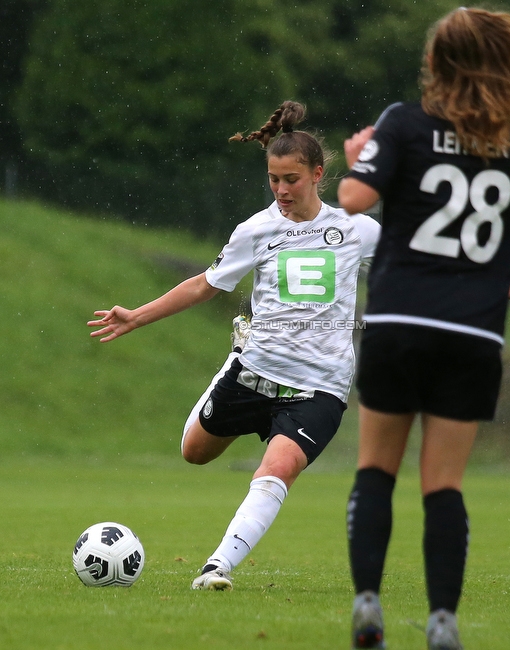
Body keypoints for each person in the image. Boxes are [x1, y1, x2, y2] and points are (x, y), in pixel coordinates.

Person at [336, 8, 510, 650]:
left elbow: (355, 200)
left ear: (436, 63)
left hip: (398, 321)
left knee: (376, 471)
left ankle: (368, 604)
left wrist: (359, 159)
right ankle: (442, 620)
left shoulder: (405, 124)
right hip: (473, 334)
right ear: (508, 64)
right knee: (443, 484)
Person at [88, 101, 382, 591]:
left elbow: (420, 269)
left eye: (291, 179)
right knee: (195, 453)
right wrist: (137, 316)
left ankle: (216, 567)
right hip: (255, 371)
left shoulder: (356, 229)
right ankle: (234, 377)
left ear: (317, 173)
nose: (282, 190)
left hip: (320, 386)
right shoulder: (257, 229)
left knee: (278, 468)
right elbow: (205, 284)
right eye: (273, 179)